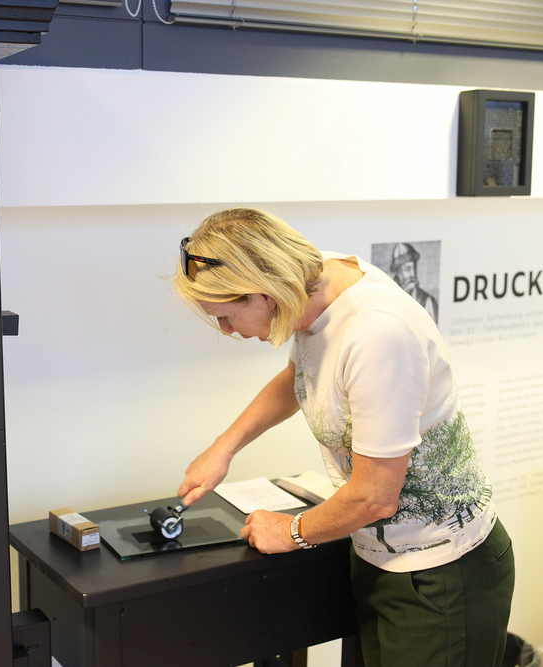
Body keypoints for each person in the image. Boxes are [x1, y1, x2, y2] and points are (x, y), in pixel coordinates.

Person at [173, 208, 514, 667]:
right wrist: (224, 447)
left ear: (264, 294)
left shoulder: (378, 334)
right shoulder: (311, 279)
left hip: (441, 572)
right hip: (377, 556)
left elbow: (375, 497)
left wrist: (290, 531)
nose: (227, 330)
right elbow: (299, 376)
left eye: (226, 316)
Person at [390, 242, 439, 322]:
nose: (413, 274)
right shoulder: (386, 299)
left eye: (414, 268)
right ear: (398, 272)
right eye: (408, 269)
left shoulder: (427, 301)